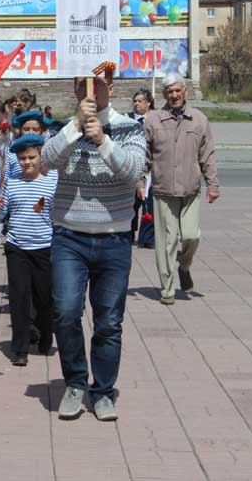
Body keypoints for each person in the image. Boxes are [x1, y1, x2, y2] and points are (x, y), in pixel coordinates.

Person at [42, 75, 146, 421]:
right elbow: (46, 160)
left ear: (111, 90)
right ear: (75, 91)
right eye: (83, 85)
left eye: (98, 85)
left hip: (114, 238)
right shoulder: (62, 126)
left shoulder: (128, 128)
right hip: (69, 235)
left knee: (108, 321)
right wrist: (75, 125)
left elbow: (133, 172)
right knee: (66, 311)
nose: (91, 91)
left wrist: (102, 140)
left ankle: (102, 391)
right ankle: (75, 382)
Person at [143, 73, 220, 305]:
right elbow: (144, 156)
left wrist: (212, 184)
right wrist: (139, 181)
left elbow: (208, 155)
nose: (174, 95)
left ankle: (184, 266)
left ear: (185, 91)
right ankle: (167, 289)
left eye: (178, 90)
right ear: (164, 95)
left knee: (190, 235)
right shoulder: (154, 120)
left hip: (190, 190)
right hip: (162, 191)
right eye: (169, 92)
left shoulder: (199, 120)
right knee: (167, 241)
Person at [0, 134, 57, 366]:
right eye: (22, 158)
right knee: (19, 298)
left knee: (44, 297)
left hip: (45, 247)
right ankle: (19, 348)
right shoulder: (13, 181)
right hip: (17, 247)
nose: (27, 162)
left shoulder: (53, 180)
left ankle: (45, 334)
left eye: (31, 157)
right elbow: (3, 212)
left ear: (41, 157)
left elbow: (58, 213)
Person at [129, 89, 155, 247]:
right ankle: (128, 234)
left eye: (140, 101)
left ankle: (148, 238)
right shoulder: (128, 120)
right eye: (135, 101)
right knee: (132, 204)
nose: (136, 104)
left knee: (149, 204)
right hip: (133, 166)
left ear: (148, 103)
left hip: (151, 167)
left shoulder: (156, 119)